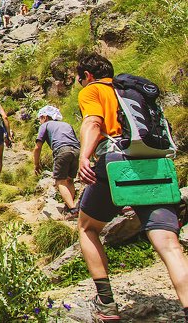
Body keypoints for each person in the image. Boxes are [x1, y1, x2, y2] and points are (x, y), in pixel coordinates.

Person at [74, 53, 188, 322]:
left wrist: (84, 157)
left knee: (87, 227)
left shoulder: (93, 90)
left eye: (79, 79)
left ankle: (106, 304)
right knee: (169, 244)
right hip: (153, 163)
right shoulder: (130, 92)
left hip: (117, 163)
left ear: (87, 75)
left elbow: (93, 122)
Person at [32, 105, 80, 218]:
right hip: (77, 151)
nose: (40, 121)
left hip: (62, 150)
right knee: (69, 180)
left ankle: (73, 210)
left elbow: (37, 147)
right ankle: (70, 206)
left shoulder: (45, 125)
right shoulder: (66, 124)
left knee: (60, 181)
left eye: (40, 118)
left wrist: (36, 164)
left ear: (45, 117)